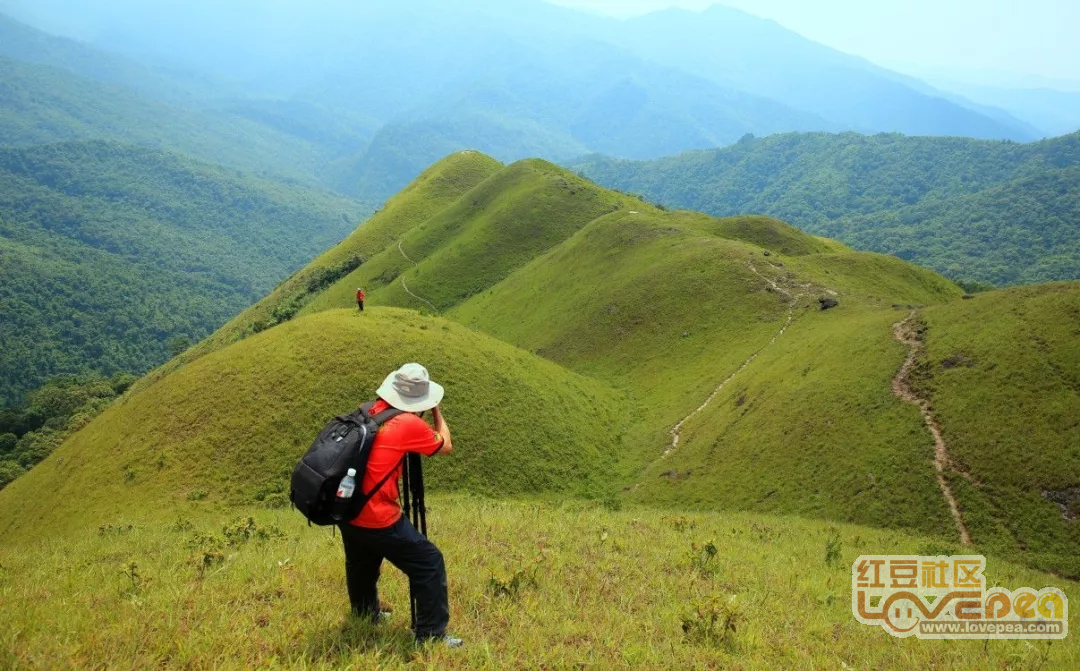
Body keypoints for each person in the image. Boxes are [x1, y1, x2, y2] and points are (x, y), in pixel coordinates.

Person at [339, 363, 461, 648]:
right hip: (377, 515)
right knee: (429, 562)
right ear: (420, 399)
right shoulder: (408, 423)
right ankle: (430, 636)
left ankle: (365, 613)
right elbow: (445, 445)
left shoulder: (368, 409)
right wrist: (436, 411)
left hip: (347, 507)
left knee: (361, 561)